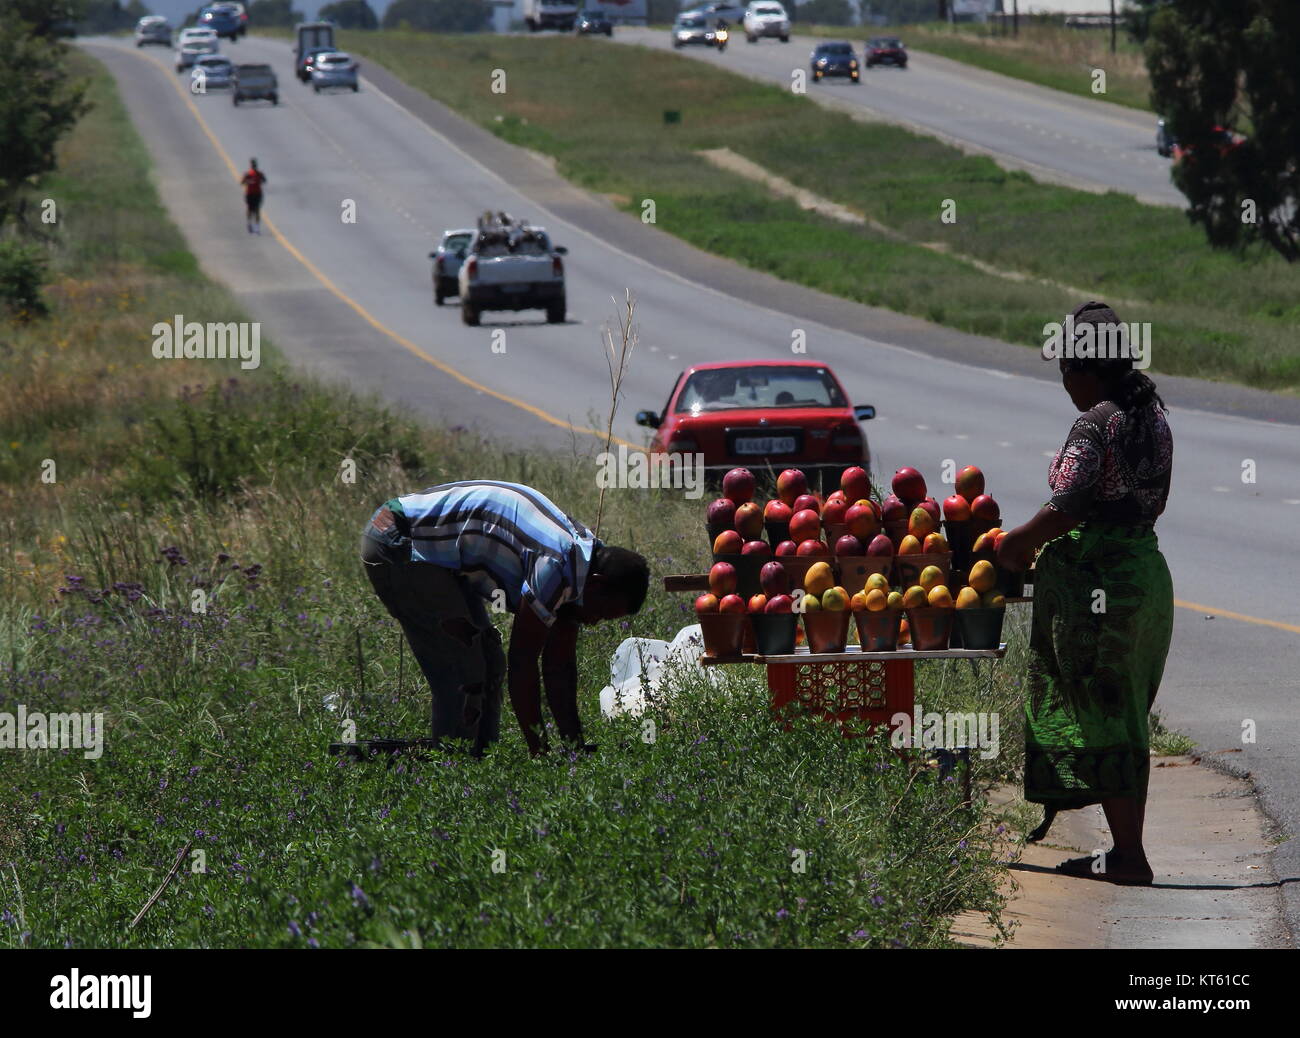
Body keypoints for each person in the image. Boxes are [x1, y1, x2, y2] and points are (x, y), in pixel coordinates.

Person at [998, 300, 1173, 886]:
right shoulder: (1151, 412)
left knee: (1105, 712)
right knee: (1122, 713)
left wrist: (1016, 544)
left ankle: (1129, 857)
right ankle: (1125, 850)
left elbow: (1068, 504)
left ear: (1085, 369)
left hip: (1103, 589)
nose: (1064, 383)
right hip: (1144, 577)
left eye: (1066, 371)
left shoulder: (1095, 422)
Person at [360, 480, 649, 758]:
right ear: (597, 585)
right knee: (465, 673)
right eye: (600, 614)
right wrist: (541, 752)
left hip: (438, 557)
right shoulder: (556, 565)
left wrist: (574, 749)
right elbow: (523, 663)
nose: (594, 622)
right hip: (399, 541)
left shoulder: (581, 568)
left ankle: (483, 763)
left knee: (491, 665)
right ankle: (456, 773)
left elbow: (558, 668)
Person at [240, 158, 266, 235]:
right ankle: (249, 224)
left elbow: (264, 180)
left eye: (254, 164)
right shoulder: (248, 174)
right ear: (251, 165)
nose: (254, 166)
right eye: (253, 164)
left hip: (257, 193)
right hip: (250, 194)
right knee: (250, 210)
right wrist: (249, 181)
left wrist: (259, 181)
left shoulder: (259, 174)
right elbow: (242, 182)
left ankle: (257, 228)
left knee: (257, 210)